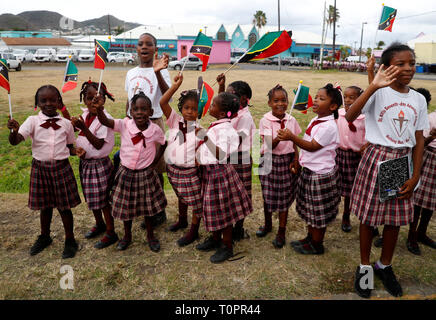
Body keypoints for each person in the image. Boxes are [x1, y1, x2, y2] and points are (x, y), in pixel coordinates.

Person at [346, 43, 429, 298]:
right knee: (369, 218)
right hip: (377, 156)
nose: (408, 68)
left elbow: (419, 139)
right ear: (386, 67)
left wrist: (415, 174)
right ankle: (364, 267)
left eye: (411, 63)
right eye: (400, 64)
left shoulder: (417, 99)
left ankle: (384, 264)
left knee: (393, 219)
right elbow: (350, 115)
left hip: (400, 161)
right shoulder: (377, 93)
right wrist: (373, 85)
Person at [7, 85, 84, 259]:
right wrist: (13, 131)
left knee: (64, 208)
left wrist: (76, 151)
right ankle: (44, 236)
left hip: (61, 168)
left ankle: (70, 239)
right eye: (43, 100)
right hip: (40, 169)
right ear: (37, 103)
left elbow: (70, 147)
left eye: (53, 100)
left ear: (59, 102)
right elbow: (15, 141)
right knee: (45, 206)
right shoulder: (32, 121)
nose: (48, 103)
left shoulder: (66, 124)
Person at [95, 91, 168, 252]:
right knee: (126, 208)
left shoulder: (155, 130)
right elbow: (105, 121)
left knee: (148, 209)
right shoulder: (124, 124)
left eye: (144, 109)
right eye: (135, 109)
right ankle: (127, 236)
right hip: (126, 172)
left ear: (151, 112)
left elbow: (163, 143)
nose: (139, 112)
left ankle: (150, 235)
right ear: (130, 111)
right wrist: (100, 109)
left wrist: (155, 162)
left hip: (146, 174)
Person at [278, 84, 341, 255]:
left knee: (318, 211)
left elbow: (313, 146)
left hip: (320, 175)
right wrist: (299, 159)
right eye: (316, 96)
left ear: (333, 106)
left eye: (321, 98)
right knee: (310, 208)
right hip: (310, 170)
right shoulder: (316, 120)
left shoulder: (329, 126)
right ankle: (310, 237)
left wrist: (292, 137)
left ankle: (317, 243)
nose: (315, 101)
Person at [195, 92, 253, 263]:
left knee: (224, 212)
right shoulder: (218, 125)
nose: (210, 106)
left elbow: (220, 154)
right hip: (210, 173)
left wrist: (204, 138)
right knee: (213, 209)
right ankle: (215, 239)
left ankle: (227, 245)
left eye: (213, 105)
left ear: (221, 113)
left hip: (219, 174)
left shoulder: (226, 130)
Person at [122, 32, 171, 228]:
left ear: (155, 49)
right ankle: (141, 207)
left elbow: (168, 93)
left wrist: (158, 71)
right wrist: (126, 118)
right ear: (136, 48)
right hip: (134, 124)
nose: (144, 47)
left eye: (148, 44)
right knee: (137, 166)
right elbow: (129, 97)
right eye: (140, 44)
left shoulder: (161, 70)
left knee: (155, 168)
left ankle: (159, 210)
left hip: (153, 122)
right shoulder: (131, 73)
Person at [71, 80, 118, 249]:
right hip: (86, 165)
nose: (92, 101)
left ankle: (111, 231)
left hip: (100, 165)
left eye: (97, 98)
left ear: (104, 99)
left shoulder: (106, 120)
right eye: (88, 97)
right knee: (91, 197)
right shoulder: (85, 115)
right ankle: (100, 224)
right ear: (84, 99)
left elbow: (98, 144)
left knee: (103, 200)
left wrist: (83, 127)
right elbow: (77, 132)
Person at [160, 73, 203, 247]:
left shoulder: (201, 130)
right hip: (173, 169)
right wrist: (175, 87)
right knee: (181, 196)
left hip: (190, 171)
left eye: (194, 109)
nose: (190, 112)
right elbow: (163, 102)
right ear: (181, 108)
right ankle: (182, 220)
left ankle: (193, 230)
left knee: (195, 201)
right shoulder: (174, 121)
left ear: (199, 111)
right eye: (186, 108)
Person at [257, 84, 301, 248]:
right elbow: (268, 145)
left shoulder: (292, 120)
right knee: (266, 194)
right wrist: (278, 138)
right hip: (267, 159)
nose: (280, 104)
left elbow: (295, 141)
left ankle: (281, 230)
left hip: (285, 160)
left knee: (284, 196)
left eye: (284, 100)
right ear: (269, 103)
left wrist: (296, 158)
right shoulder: (265, 120)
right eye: (276, 101)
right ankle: (268, 224)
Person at [217, 74, 256, 241]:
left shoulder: (245, 117)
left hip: (240, 158)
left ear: (242, 99)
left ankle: (239, 228)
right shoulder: (230, 111)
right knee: (228, 193)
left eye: (230, 94)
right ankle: (229, 225)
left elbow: (235, 140)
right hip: (228, 156)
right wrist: (221, 85)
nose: (227, 97)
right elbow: (220, 106)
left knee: (242, 193)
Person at [407, 88, 435, 255]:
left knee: (431, 202)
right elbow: (421, 144)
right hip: (428, 159)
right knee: (418, 201)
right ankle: (411, 235)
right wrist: (432, 136)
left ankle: (421, 233)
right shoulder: (430, 119)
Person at [335, 85, 365, 232]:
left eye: (352, 97)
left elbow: (367, 137)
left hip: (355, 157)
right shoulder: (338, 115)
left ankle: (346, 215)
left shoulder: (364, 118)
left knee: (350, 190)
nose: (347, 100)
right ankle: (333, 212)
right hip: (338, 155)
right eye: (345, 97)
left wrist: (364, 147)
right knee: (335, 186)